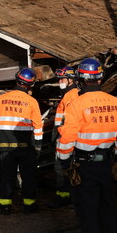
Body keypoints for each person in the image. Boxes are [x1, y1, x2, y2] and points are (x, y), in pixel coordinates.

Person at [56, 57, 117, 233]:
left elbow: (66, 139)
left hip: (84, 166)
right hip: (106, 164)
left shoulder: (76, 104)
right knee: (107, 207)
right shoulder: (116, 103)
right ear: (100, 78)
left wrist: (65, 163)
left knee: (87, 212)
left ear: (80, 78)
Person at [0, 67, 43, 215]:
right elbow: (38, 126)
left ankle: (5, 206)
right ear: (30, 84)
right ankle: (29, 205)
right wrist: (38, 145)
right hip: (25, 146)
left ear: (17, 79)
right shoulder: (32, 101)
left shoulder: (1, 99)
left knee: (7, 176)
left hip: (5, 144)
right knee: (28, 176)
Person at [48, 66, 79, 209]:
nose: (60, 81)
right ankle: (67, 196)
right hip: (63, 136)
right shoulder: (68, 95)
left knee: (61, 168)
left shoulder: (72, 95)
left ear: (70, 80)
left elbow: (70, 121)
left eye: (62, 79)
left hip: (67, 138)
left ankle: (64, 197)